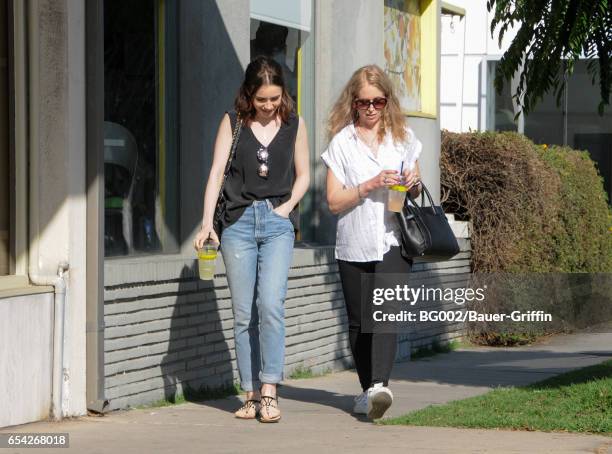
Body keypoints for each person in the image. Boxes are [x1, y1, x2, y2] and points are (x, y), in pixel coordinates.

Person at [194, 56, 310, 423]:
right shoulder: (232, 122)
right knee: (243, 314)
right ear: (249, 94)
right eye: (262, 99)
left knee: (271, 306)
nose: (269, 105)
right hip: (238, 224)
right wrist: (206, 225)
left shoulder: (294, 124)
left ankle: (271, 391)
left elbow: (304, 175)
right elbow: (215, 174)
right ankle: (250, 394)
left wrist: (287, 206)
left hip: (277, 223)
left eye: (275, 98)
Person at [321, 65, 422, 420]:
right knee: (359, 322)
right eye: (364, 102)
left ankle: (380, 385)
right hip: (353, 241)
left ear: (387, 101)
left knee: (384, 314)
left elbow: (418, 184)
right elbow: (333, 201)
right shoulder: (341, 144)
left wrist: (413, 181)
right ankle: (368, 392)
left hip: (394, 239)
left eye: (378, 101)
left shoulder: (403, 138)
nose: (371, 109)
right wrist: (368, 185)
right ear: (353, 102)